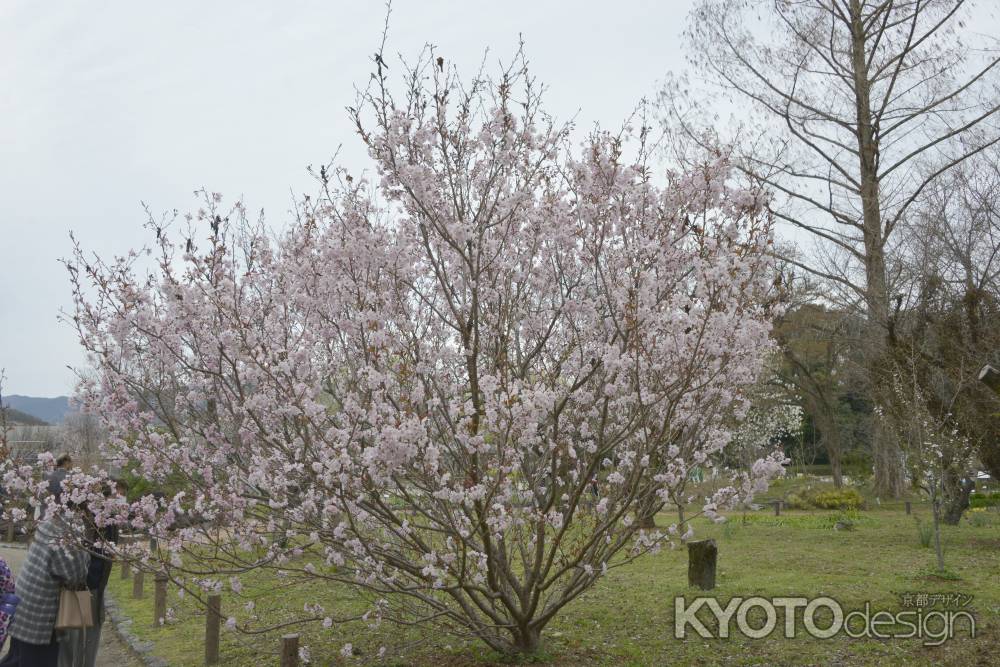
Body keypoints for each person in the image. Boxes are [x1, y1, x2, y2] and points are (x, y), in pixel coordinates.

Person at [0, 511, 89, 666]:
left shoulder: (52, 520)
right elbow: (75, 574)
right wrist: (87, 554)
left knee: (17, 658)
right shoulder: (66, 529)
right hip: (39, 616)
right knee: (35, 660)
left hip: (25, 607)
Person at [58, 482, 124, 667]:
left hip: (85, 581)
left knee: (74, 634)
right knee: (81, 633)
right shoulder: (82, 516)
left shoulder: (95, 516)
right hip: (86, 581)